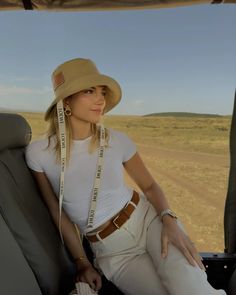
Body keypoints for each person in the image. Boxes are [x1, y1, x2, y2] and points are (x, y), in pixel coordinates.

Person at [25, 58, 226, 295]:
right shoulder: (39, 153)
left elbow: (149, 186)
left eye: (102, 92)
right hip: (112, 252)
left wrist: (169, 219)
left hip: (148, 222)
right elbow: (58, 215)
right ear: (66, 101)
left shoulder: (117, 140)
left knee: (194, 291)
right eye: (89, 91)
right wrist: (82, 261)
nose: (100, 99)